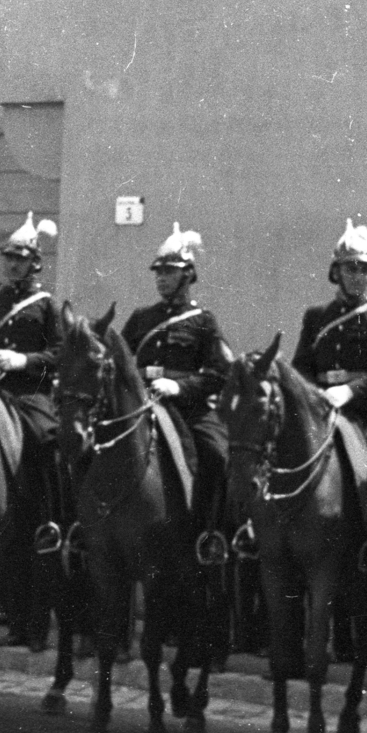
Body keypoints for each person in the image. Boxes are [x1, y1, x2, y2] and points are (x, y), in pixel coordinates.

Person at [0, 212, 64, 650]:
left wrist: (24, 362)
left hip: (29, 397)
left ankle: (53, 516)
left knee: (46, 442)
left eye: (21, 259)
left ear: (35, 263)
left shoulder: (47, 307)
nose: (13, 265)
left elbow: (60, 353)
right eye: (9, 258)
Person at [122, 222, 233, 545]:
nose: (160, 278)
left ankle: (211, 533)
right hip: (142, 405)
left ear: (187, 276)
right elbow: (122, 362)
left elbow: (218, 373)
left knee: (217, 453)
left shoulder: (203, 321)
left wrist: (179, 387)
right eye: (158, 272)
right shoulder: (141, 318)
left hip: (186, 408)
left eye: (168, 272)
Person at [290, 218, 367, 536]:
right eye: (350, 269)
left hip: (364, 412)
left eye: (363, 269)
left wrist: (349, 392)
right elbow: (301, 367)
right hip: (321, 408)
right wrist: (316, 395)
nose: (357, 276)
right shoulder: (316, 316)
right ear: (336, 272)